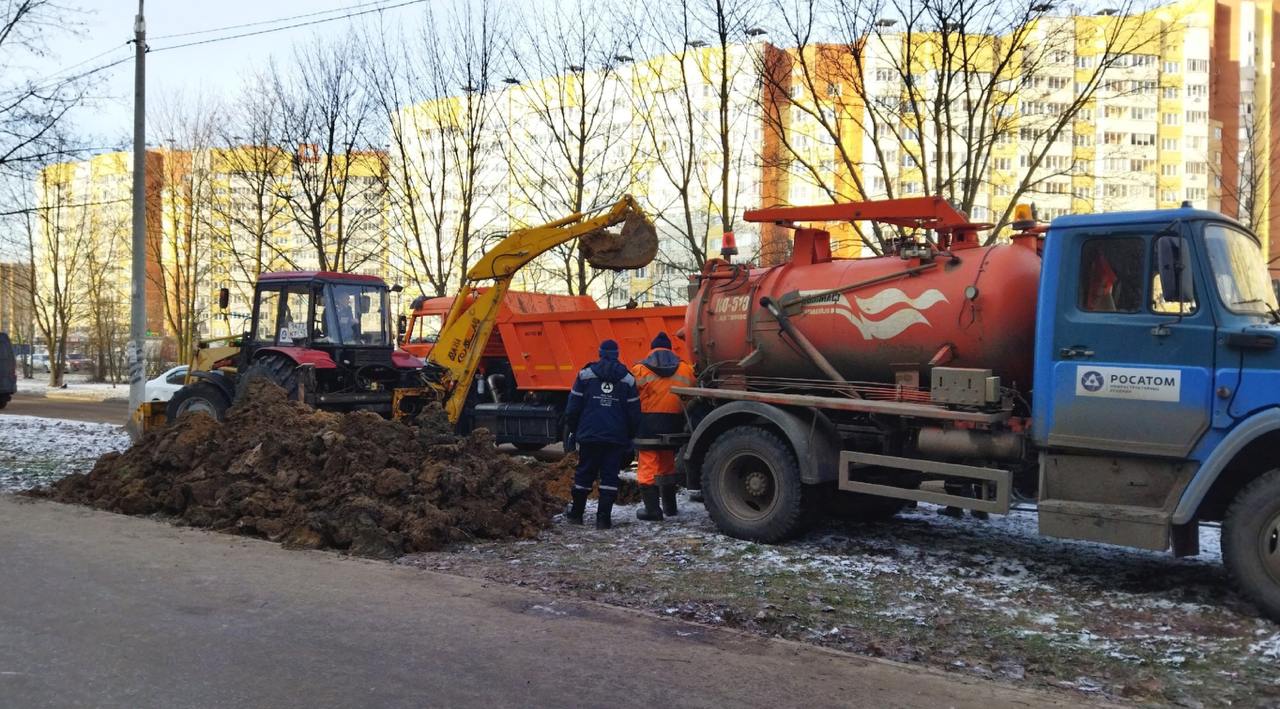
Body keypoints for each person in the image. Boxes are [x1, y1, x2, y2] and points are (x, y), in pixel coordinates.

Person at [563, 339, 641, 529]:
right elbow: (634, 413)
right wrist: (630, 436)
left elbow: (573, 408)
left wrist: (574, 430)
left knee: (584, 474)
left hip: (589, 435)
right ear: (617, 354)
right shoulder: (628, 379)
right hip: (615, 438)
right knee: (609, 477)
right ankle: (603, 519)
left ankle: (576, 515)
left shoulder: (584, 376)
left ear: (600, 353)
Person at [630, 332, 696, 522]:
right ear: (670, 349)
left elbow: (632, 396)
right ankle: (670, 507)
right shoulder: (685, 369)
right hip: (675, 423)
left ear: (652, 349)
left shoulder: (640, 369)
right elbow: (692, 394)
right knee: (667, 465)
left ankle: (652, 510)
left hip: (648, 424)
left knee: (648, 467)